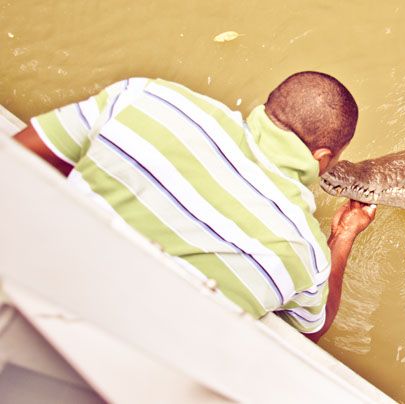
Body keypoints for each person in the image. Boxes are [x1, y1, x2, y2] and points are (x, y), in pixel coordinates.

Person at [12, 72, 376, 342]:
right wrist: (343, 235)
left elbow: (16, 156)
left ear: (267, 110)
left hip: (23, 286)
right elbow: (313, 328)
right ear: (323, 156)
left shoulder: (149, 97)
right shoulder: (306, 251)